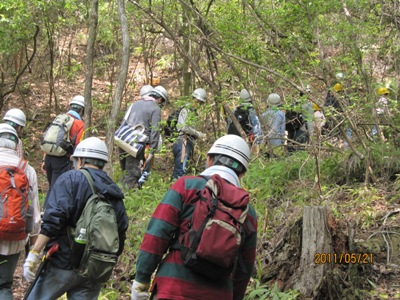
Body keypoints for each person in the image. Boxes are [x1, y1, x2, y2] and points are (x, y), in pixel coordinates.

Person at [132, 134, 257, 300]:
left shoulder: (186, 186)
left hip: (173, 289)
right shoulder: (247, 211)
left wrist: (141, 281)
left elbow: (157, 234)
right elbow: (244, 266)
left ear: (209, 159)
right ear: (242, 173)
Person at [23, 137, 129, 300]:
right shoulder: (114, 190)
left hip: (64, 262)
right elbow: (120, 231)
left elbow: (53, 220)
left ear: (80, 160)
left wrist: (34, 253)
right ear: (103, 162)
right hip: (96, 267)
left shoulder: (71, 179)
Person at [0, 123, 40, 300]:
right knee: (4, 285)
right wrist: (34, 247)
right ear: (17, 145)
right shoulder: (27, 169)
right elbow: (36, 213)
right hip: (13, 236)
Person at [120, 85, 167, 190]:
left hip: (122, 140)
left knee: (126, 171)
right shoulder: (155, 108)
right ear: (159, 99)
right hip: (136, 143)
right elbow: (155, 131)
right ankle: (126, 200)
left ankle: (123, 194)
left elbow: (124, 121)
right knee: (133, 174)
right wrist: (152, 150)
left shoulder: (135, 104)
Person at [41, 95, 85, 189]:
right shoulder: (79, 124)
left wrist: (44, 160)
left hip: (49, 158)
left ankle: (47, 203)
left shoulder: (59, 118)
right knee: (58, 191)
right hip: (62, 160)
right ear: (82, 110)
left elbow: (49, 138)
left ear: (70, 106)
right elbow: (78, 146)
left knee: (51, 188)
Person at [171, 88, 206, 180]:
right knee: (180, 170)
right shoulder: (186, 110)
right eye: (199, 102)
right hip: (183, 141)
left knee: (183, 168)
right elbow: (183, 127)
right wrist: (198, 134)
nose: (199, 104)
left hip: (187, 141)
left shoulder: (192, 112)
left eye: (201, 103)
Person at [119, 84, 154, 172]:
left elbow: (125, 121)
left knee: (125, 169)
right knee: (134, 171)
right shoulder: (150, 107)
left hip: (124, 140)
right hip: (136, 143)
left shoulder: (133, 105)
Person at [262, 93, 286, 157]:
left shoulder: (264, 115)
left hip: (266, 143)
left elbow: (262, 130)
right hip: (277, 143)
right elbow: (282, 131)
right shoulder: (281, 115)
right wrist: (282, 142)